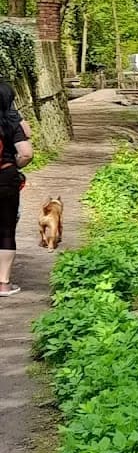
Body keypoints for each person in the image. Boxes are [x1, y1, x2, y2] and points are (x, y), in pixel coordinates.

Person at [0, 82, 34, 297]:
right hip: (4, 178)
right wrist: (14, 165)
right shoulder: (12, 121)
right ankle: (3, 284)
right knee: (5, 229)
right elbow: (26, 153)